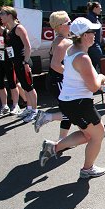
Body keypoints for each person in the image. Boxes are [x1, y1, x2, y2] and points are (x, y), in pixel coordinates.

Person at [39, 17, 105, 179]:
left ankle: (53, 148)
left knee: (88, 135)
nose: (95, 35)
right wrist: (101, 77)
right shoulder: (82, 57)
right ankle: (87, 169)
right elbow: (93, 86)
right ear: (84, 35)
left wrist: (95, 79)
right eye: (92, 32)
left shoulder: (72, 50)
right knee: (98, 135)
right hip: (79, 103)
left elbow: (80, 76)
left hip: (69, 102)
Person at [34, 11, 72, 139]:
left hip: (56, 81)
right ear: (60, 26)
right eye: (69, 22)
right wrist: (73, 75)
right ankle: (45, 116)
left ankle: (62, 140)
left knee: (67, 111)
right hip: (58, 81)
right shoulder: (63, 42)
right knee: (71, 112)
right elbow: (55, 65)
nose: (71, 24)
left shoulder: (60, 39)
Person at [0, 6, 38, 122]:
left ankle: (35, 112)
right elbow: (4, 46)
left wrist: (25, 62)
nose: (0, 16)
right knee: (25, 87)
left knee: (29, 87)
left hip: (23, 62)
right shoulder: (8, 30)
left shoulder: (19, 28)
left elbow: (27, 46)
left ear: (9, 15)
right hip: (16, 62)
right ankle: (29, 108)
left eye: (2, 14)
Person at [0, 11, 20, 116]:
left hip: (8, 61)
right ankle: (4, 106)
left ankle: (15, 105)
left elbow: (10, 47)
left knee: (12, 83)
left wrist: (1, 47)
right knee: (0, 84)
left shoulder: (5, 32)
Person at [86, 1, 103, 71]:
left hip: (95, 45)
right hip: (94, 46)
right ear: (95, 8)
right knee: (102, 65)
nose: (101, 10)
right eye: (100, 8)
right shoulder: (91, 18)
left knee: (93, 66)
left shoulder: (93, 17)